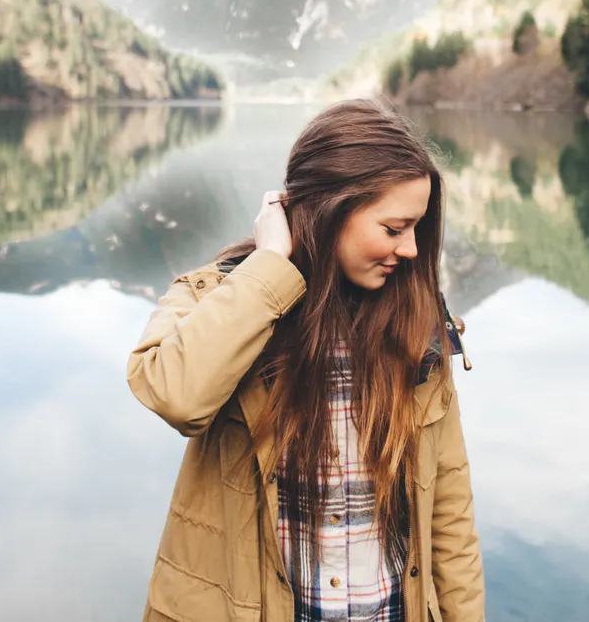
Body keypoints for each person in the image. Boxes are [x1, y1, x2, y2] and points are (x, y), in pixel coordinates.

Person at [127, 98, 484, 622]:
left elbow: (451, 519)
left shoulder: (418, 326)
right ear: (329, 212)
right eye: (393, 229)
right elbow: (174, 396)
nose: (411, 249)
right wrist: (270, 265)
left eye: (416, 229)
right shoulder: (221, 297)